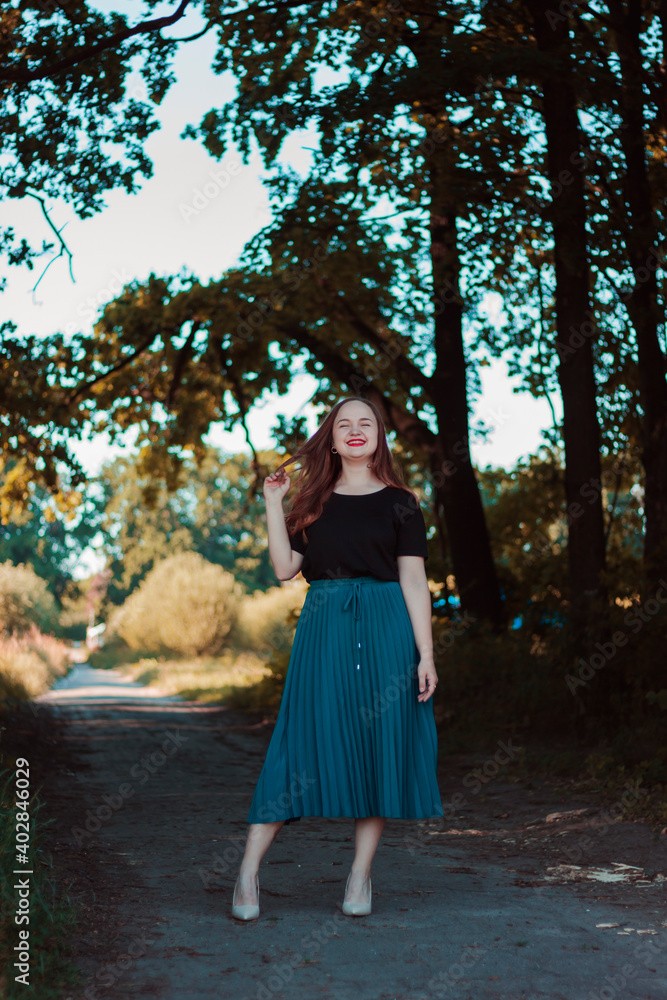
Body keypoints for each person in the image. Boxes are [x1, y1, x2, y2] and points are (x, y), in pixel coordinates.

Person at [231, 396, 444, 921]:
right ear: (330, 439)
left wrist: (425, 654)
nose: (355, 430)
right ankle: (248, 873)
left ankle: (360, 875)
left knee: (379, 748)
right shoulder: (314, 500)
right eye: (343, 424)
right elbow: (285, 568)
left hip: (387, 628)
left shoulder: (403, 503)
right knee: (296, 742)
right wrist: (273, 502)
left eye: (365, 423)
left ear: (378, 436)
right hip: (324, 628)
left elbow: (414, 580)